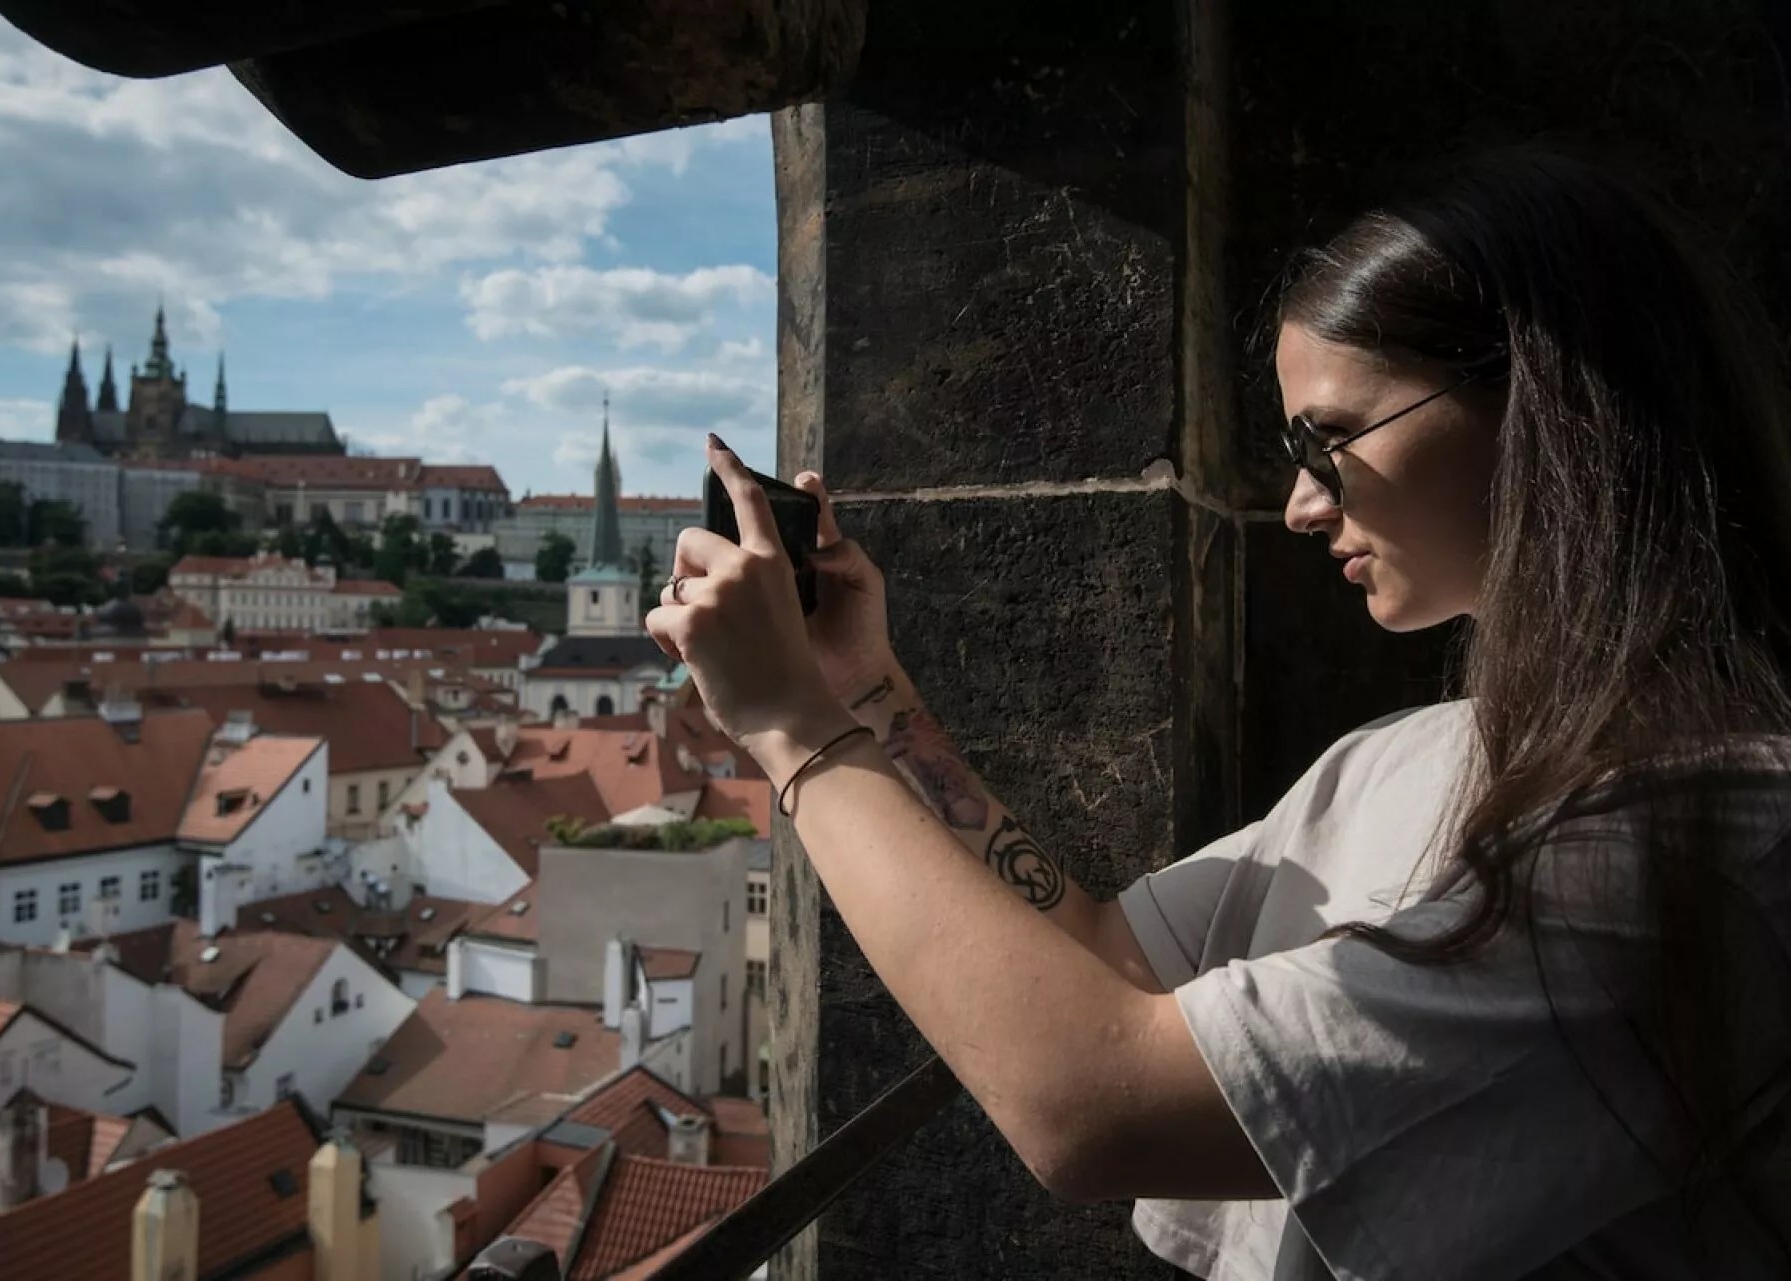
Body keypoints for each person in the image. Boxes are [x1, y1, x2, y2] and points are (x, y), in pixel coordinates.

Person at [645, 150, 1791, 1279]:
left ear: (1546, 407)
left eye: (1328, 441)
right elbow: (1105, 960)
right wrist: (866, 693)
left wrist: (792, 727)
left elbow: (1090, 1102)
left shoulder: (1710, 841)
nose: (1297, 504)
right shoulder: (1397, 760)